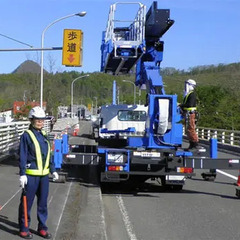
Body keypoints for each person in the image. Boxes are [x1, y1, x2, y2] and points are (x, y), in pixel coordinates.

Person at [18, 106, 59, 239]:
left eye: (42, 120)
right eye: (38, 120)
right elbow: (23, 155)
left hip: (44, 177)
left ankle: (42, 228)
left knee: (42, 204)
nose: (40, 122)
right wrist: (22, 173)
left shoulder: (44, 135)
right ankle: (24, 228)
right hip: (30, 176)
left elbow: (49, 155)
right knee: (26, 204)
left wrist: (53, 170)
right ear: (31, 120)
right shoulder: (26, 136)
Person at [180, 79, 201, 150]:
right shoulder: (188, 94)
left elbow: (190, 104)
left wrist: (181, 105)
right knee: (188, 129)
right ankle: (191, 144)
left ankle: (195, 143)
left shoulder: (192, 94)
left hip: (190, 114)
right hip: (187, 113)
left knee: (191, 128)